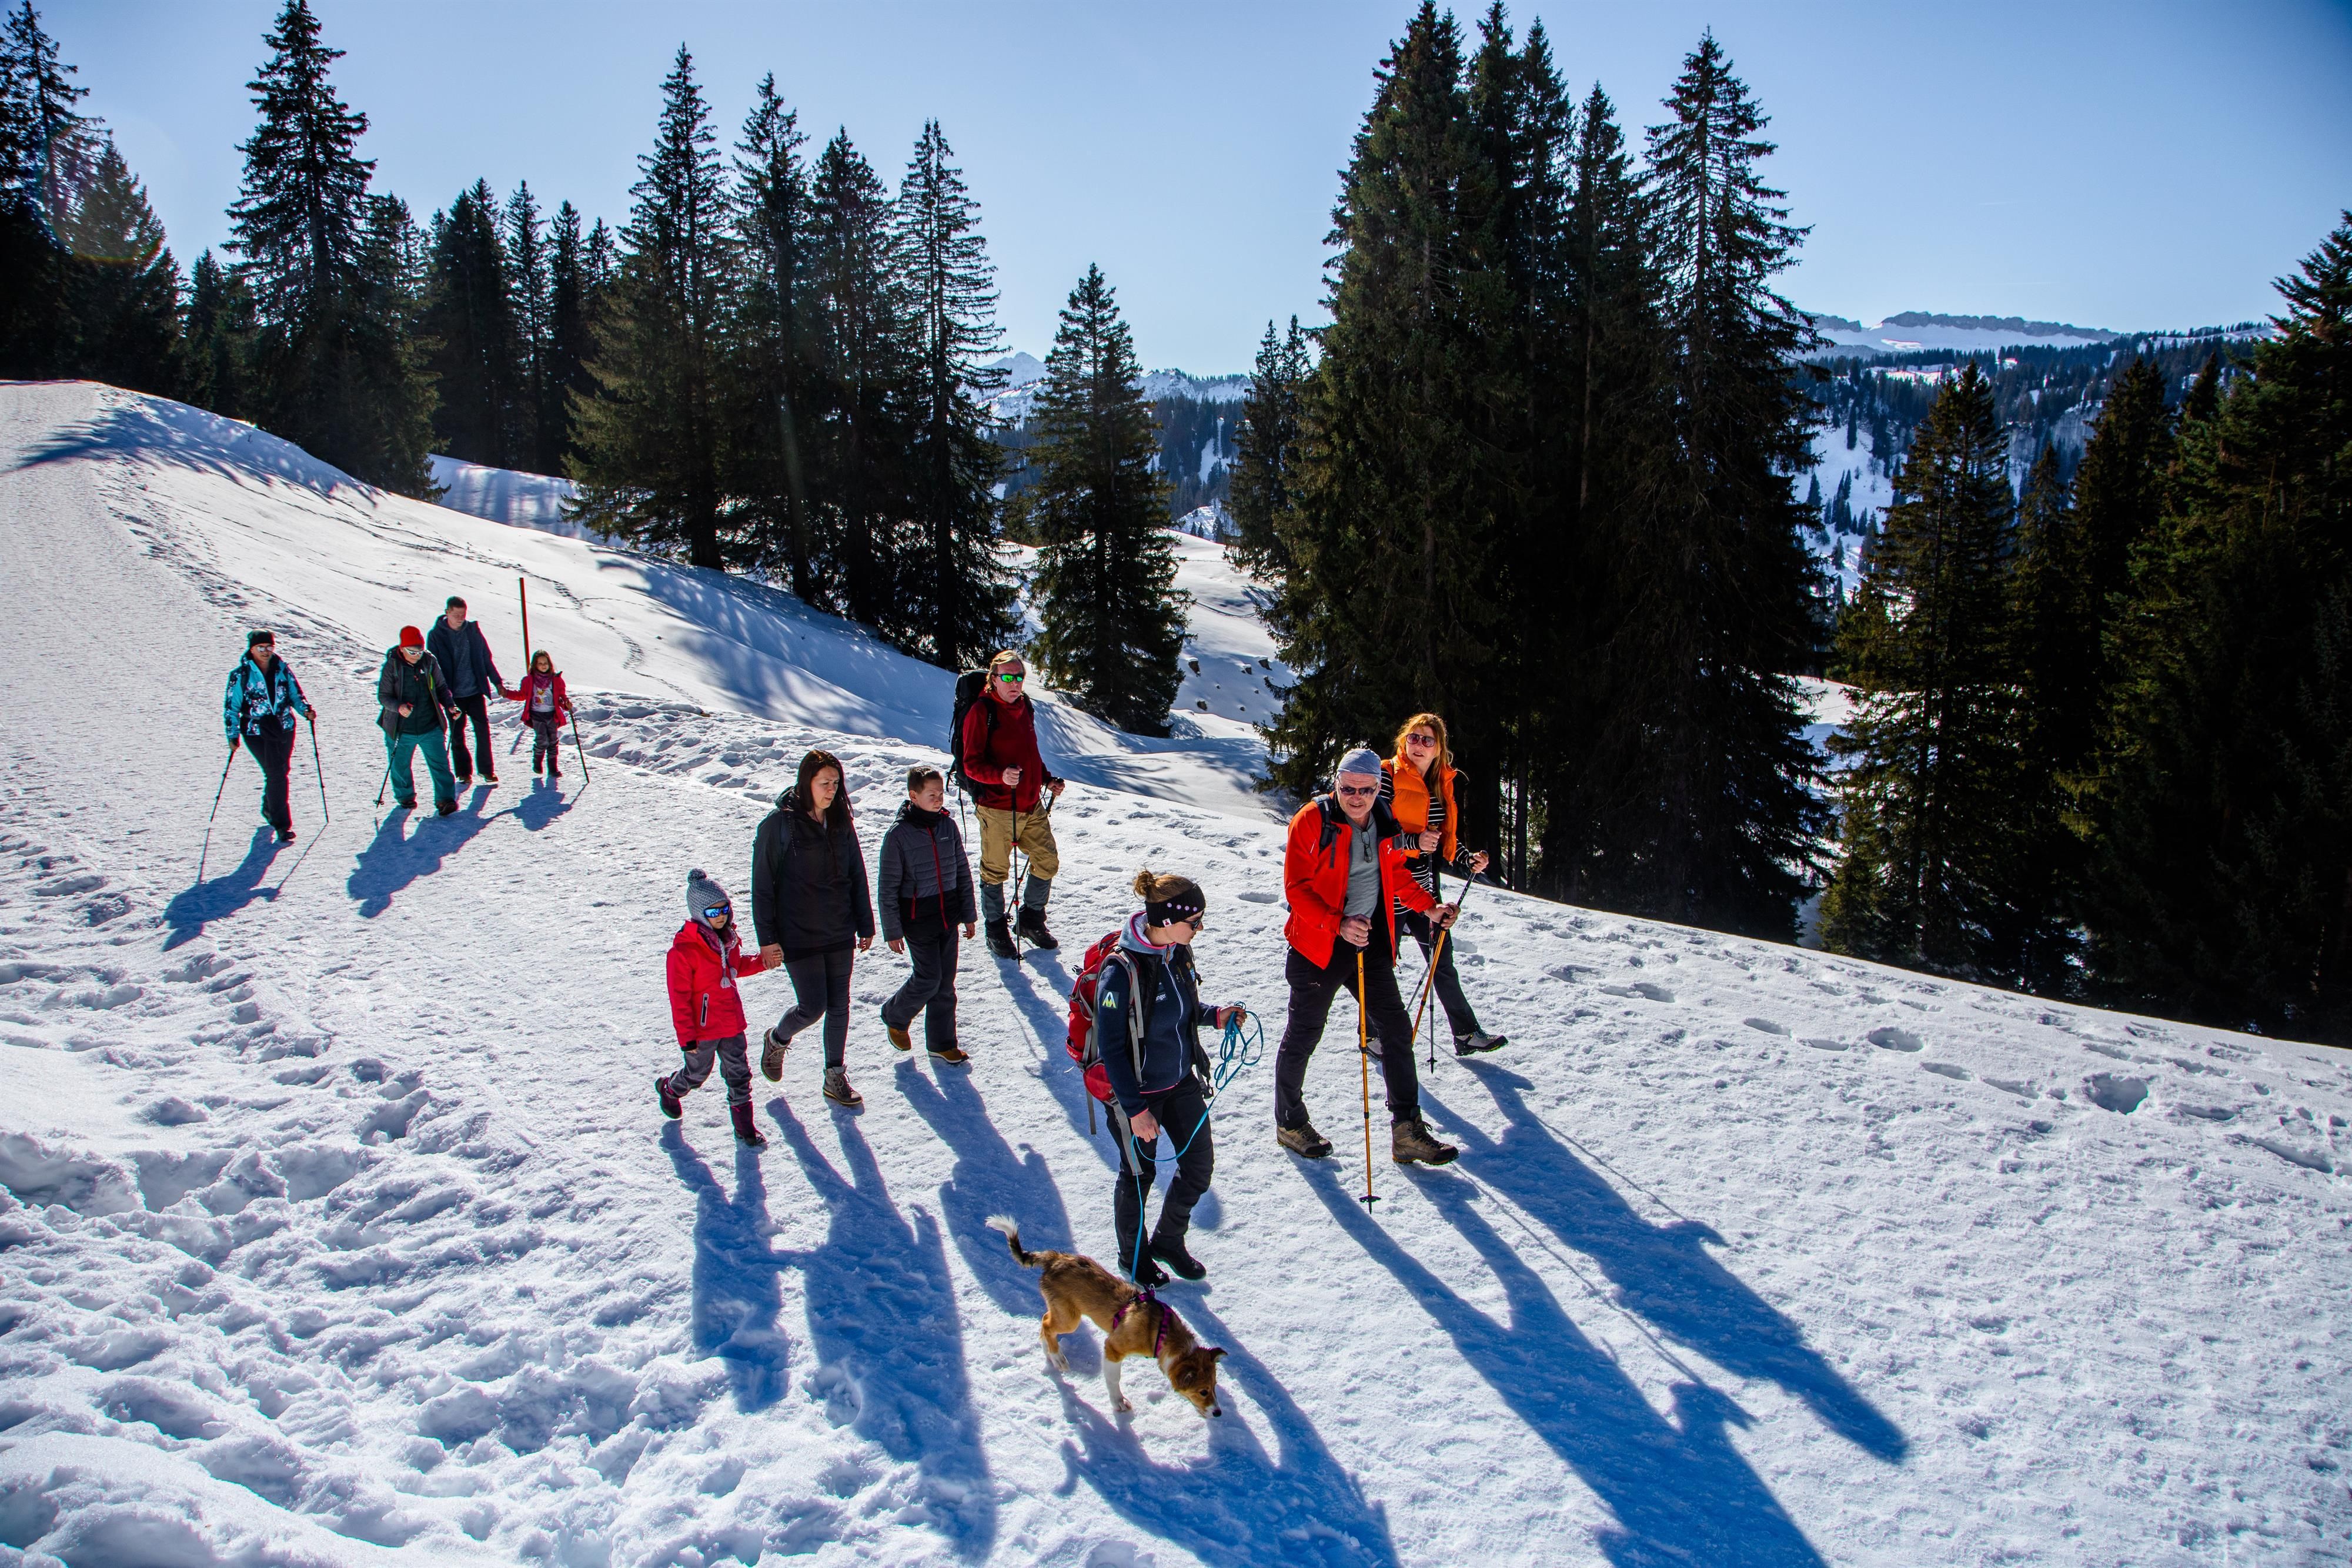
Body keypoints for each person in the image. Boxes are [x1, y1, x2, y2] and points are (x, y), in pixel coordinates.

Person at [1272, 747, 1460, 1166]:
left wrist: (1429, 907)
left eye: (1366, 789)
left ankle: (1407, 1129)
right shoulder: (1312, 820)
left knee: (1395, 1030)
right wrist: (1336, 922)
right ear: (1336, 782)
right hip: (1318, 945)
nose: (1356, 796)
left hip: (1369, 944)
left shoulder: (1384, 818)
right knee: (1305, 1033)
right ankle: (1289, 1121)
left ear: (1379, 787)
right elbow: (1297, 888)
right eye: (1348, 788)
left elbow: (1394, 872)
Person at [1097, 869, 1248, 1286]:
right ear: (1166, 920)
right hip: (1138, 1094)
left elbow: (1183, 1008)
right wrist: (1136, 1110)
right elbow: (1111, 1048)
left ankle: (1168, 1240)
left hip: (1179, 1082)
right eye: (1194, 921)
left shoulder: (1176, 951)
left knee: (1198, 1166)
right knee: (1139, 1177)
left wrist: (1213, 1016)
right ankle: (1134, 1257)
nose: (1200, 928)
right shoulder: (1120, 971)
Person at [751, 749, 876, 1108]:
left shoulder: (840, 822)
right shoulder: (779, 825)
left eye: (836, 783)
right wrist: (768, 940)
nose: (832, 790)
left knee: (840, 1005)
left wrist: (864, 922)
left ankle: (834, 1075)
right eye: (825, 783)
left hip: (838, 928)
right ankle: (777, 1039)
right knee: (813, 1006)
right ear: (806, 782)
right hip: (798, 932)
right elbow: (762, 886)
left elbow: (857, 874)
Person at [1381, 713, 1507, 1055]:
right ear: (1403, 741)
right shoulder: (1387, 776)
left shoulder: (1440, 784)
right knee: (1381, 967)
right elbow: (1376, 836)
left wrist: (1467, 859)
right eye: (1414, 738)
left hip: (1425, 892)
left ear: (1439, 749)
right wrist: (1412, 843)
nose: (1419, 745)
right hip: (1388, 888)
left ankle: (1465, 1033)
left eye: (1428, 740)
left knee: (1441, 962)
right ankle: (1376, 1036)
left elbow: (1441, 840)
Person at [656, 870, 773, 1148]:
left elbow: (735, 968)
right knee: (697, 1074)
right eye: (713, 912)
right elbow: (680, 999)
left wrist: (763, 961)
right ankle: (670, 1089)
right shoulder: (684, 952)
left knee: (740, 1075)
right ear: (699, 913)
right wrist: (687, 1039)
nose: (720, 916)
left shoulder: (728, 940)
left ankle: (745, 1129)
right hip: (703, 1030)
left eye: (724, 909)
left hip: (732, 1023)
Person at [960, 648, 1065, 957]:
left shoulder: (1024, 706)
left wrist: (1046, 779)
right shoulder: (982, 712)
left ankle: (1031, 921)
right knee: (995, 870)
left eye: (1019, 676)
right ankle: (995, 930)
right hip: (996, 806)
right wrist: (1000, 776)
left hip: (1031, 803)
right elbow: (970, 764)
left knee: (1047, 860)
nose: (1015, 683)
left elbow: (1030, 754)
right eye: (1007, 677)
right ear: (993, 679)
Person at [876, 765, 979, 1066]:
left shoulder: (948, 826)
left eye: (941, 794)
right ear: (913, 796)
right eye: (931, 795)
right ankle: (895, 1014)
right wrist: (892, 930)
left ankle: (942, 1043)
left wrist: (969, 914)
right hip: (918, 919)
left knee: (946, 983)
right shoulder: (899, 835)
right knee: (928, 978)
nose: (938, 800)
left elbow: (962, 871)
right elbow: (888, 886)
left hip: (948, 915)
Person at [221, 628, 315, 843]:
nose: (266, 652)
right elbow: (231, 707)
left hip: (284, 727)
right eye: (261, 648)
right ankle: (282, 825)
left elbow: (295, 695)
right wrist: (232, 734)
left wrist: (306, 710)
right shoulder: (240, 675)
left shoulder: (282, 670)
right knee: (276, 773)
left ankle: (269, 807)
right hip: (256, 730)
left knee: (281, 770)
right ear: (252, 649)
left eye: (269, 647)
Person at [375, 626, 459, 815]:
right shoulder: (393, 666)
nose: (417, 655)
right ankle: (405, 797)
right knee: (400, 765)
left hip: (430, 725)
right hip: (401, 728)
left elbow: (441, 687)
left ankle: (445, 800)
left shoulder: (429, 661)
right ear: (402, 648)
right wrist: (399, 707)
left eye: (420, 651)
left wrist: (450, 706)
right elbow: (383, 696)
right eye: (412, 652)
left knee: (440, 764)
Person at [426, 595, 506, 787]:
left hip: (474, 691)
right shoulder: (436, 635)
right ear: (447, 613)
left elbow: (486, 659)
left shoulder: (473, 631)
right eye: (456, 615)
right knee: (457, 734)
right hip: (452, 696)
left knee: (483, 730)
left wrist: (497, 682)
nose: (461, 618)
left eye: (463, 614)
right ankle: (464, 773)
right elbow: (433, 668)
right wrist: (438, 695)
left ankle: (487, 771)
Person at [500, 649, 573, 780]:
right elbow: (522, 695)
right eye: (540, 663)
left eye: (545, 663)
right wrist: (507, 693)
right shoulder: (529, 680)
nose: (544, 666)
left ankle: (553, 768)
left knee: (553, 740)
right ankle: (537, 762)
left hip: (551, 714)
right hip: (536, 714)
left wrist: (566, 705)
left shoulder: (556, 680)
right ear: (535, 665)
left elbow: (561, 698)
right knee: (542, 740)